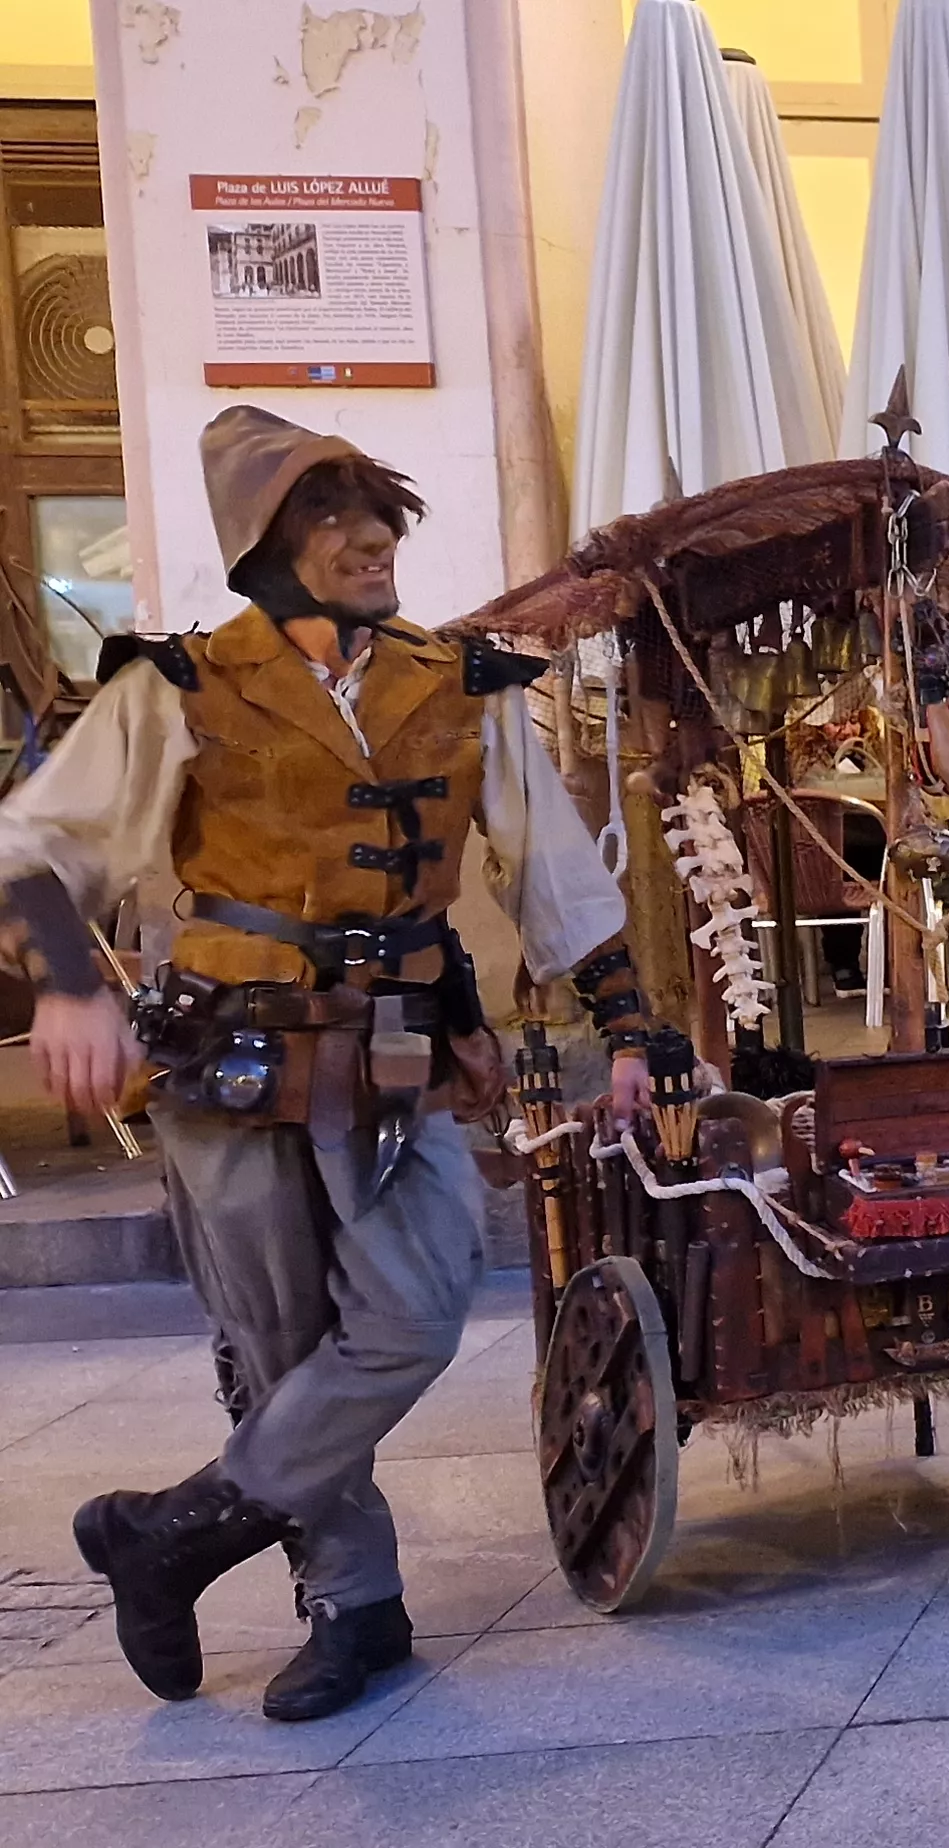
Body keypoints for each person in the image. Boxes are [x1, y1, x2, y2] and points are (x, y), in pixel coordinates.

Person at [14, 409, 654, 1722]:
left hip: (399, 1046)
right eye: (331, 516)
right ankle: (358, 1610)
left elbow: (556, 873)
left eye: (379, 513)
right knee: (285, 1344)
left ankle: (175, 1534)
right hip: (230, 1058)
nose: (371, 538)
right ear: (263, 549)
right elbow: (34, 849)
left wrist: (633, 1026)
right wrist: (72, 987)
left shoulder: (462, 680)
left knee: (414, 1311)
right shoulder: (177, 682)